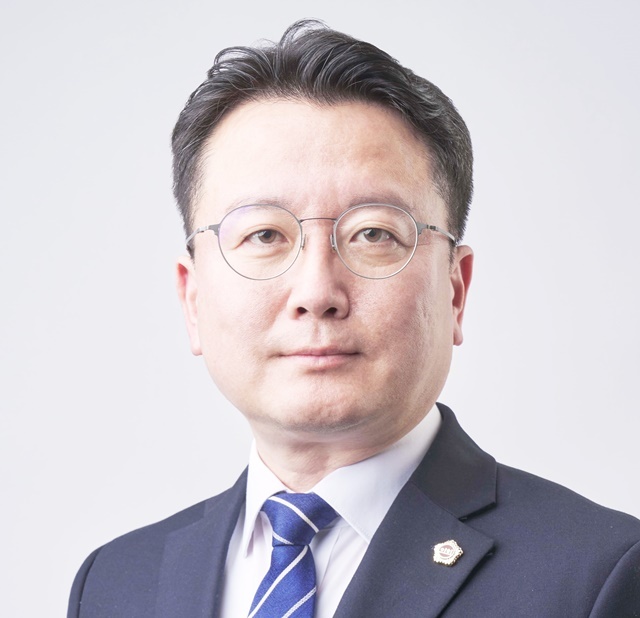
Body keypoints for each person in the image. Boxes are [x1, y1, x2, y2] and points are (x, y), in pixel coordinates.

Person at [68, 20, 640, 617]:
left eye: (373, 234)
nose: (317, 292)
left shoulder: (599, 577)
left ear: (455, 290)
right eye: (264, 235)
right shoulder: (115, 584)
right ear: (192, 298)